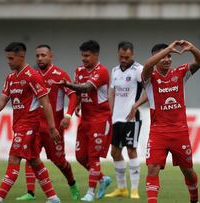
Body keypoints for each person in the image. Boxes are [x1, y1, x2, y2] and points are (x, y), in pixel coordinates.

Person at [0, 42, 61, 203]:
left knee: (14, 159)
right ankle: (53, 197)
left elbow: (46, 103)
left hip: (29, 125)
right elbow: (2, 101)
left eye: (11, 58)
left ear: (21, 57)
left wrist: (52, 128)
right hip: (19, 125)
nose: (8, 62)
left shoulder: (32, 76)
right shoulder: (10, 78)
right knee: (34, 161)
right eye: (7, 58)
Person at [142, 40, 200, 203]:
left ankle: (194, 199)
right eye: (164, 56)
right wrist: (168, 48)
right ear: (156, 58)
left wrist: (192, 49)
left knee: (188, 171)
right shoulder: (149, 77)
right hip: (158, 132)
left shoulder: (180, 73)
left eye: (170, 56)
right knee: (152, 169)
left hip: (180, 132)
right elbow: (148, 65)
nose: (168, 59)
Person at [16, 44, 80, 201]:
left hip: (54, 127)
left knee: (59, 161)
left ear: (51, 56)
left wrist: (68, 116)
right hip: (35, 125)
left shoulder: (59, 75)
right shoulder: (31, 74)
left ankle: (72, 184)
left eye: (43, 55)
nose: (40, 58)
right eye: (37, 55)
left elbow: (73, 96)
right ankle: (30, 192)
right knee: (31, 156)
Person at [57, 40, 112, 202]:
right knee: (81, 157)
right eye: (82, 55)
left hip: (100, 119)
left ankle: (90, 192)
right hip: (86, 119)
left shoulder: (102, 71)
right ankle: (102, 178)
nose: (84, 59)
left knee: (93, 156)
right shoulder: (79, 71)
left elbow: (86, 87)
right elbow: (79, 92)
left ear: (96, 55)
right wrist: (78, 104)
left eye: (87, 55)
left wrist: (68, 84)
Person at [105, 41, 145, 199]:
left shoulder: (138, 70)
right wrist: (110, 112)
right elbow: (112, 93)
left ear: (132, 55)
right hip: (116, 118)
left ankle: (134, 189)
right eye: (121, 56)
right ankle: (122, 188)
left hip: (131, 118)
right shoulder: (114, 71)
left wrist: (135, 106)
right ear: (118, 54)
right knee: (114, 152)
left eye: (127, 57)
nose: (124, 59)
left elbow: (149, 89)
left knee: (131, 150)